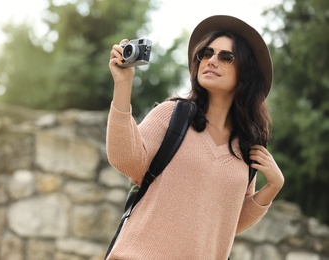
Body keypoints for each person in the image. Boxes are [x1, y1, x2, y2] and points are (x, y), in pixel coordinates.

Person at [106, 15, 284, 259]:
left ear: (245, 73)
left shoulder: (245, 147)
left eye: (226, 57)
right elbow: (125, 160)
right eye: (206, 53)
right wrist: (123, 85)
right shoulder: (172, 115)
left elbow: (225, 224)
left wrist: (272, 187)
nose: (211, 60)